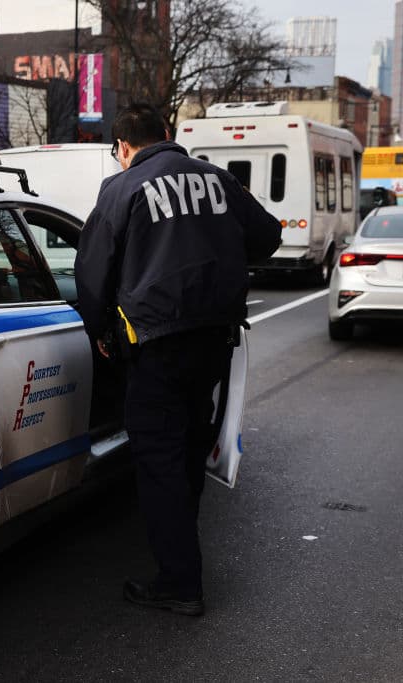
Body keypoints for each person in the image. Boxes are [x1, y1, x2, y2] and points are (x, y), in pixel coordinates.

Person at [75, 103, 281, 616]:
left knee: (158, 459)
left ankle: (180, 582)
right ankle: (182, 548)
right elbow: (269, 236)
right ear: (166, 133)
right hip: (214, 341)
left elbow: (92, 273)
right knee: (189, 446)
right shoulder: (218, 180)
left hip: (156, 345)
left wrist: (99, 331)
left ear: (123, 147)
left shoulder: (121, 188)